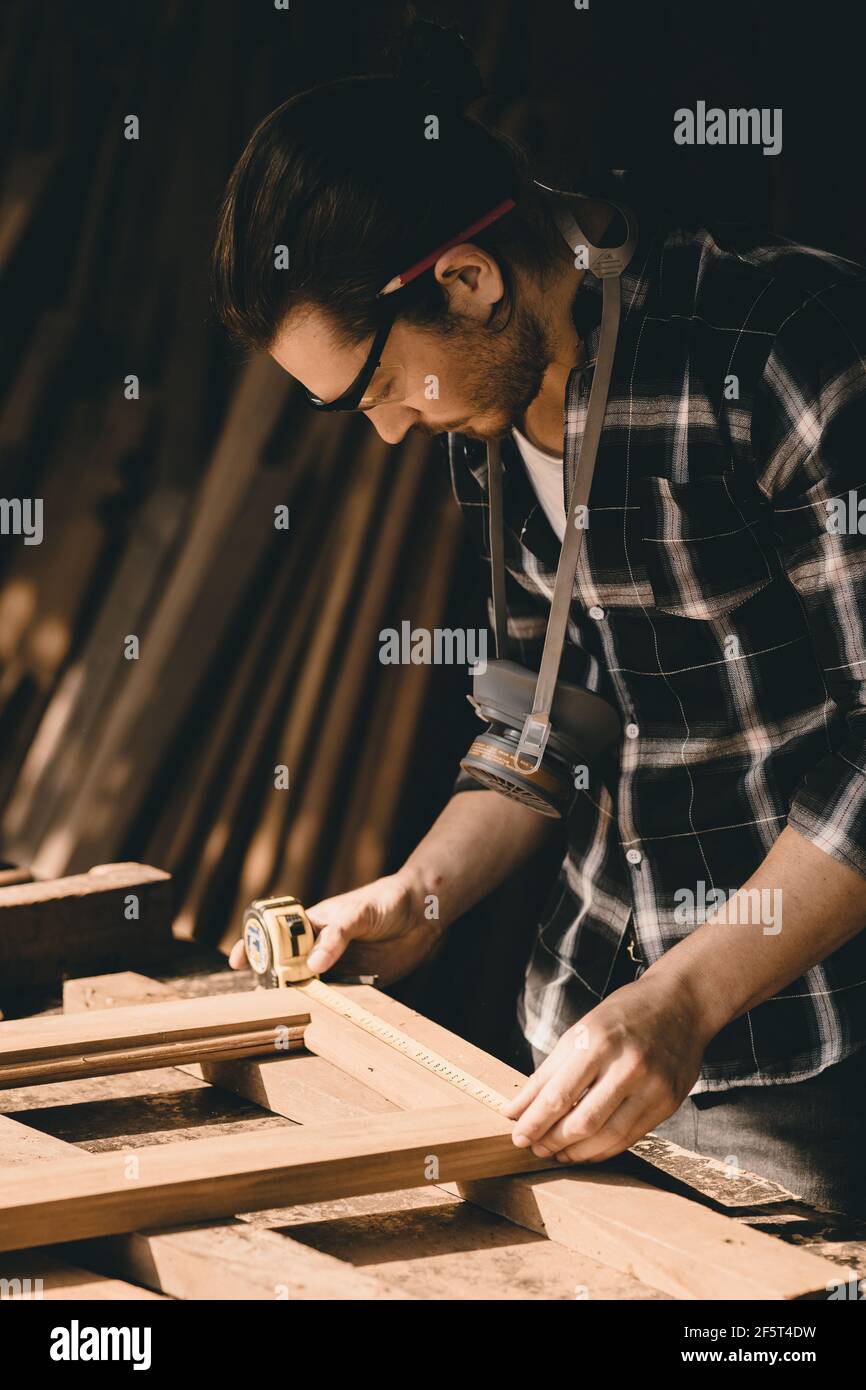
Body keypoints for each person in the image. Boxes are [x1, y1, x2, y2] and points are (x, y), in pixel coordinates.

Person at [212, 21, 866, 1215]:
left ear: (465, 278)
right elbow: (542, 722)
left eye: (372, 385)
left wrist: (685, 996)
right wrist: (415, 897)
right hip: (577, 1040)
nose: (386, 430)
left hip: (801, 1068)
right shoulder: (487, 403)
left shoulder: (780, 351)